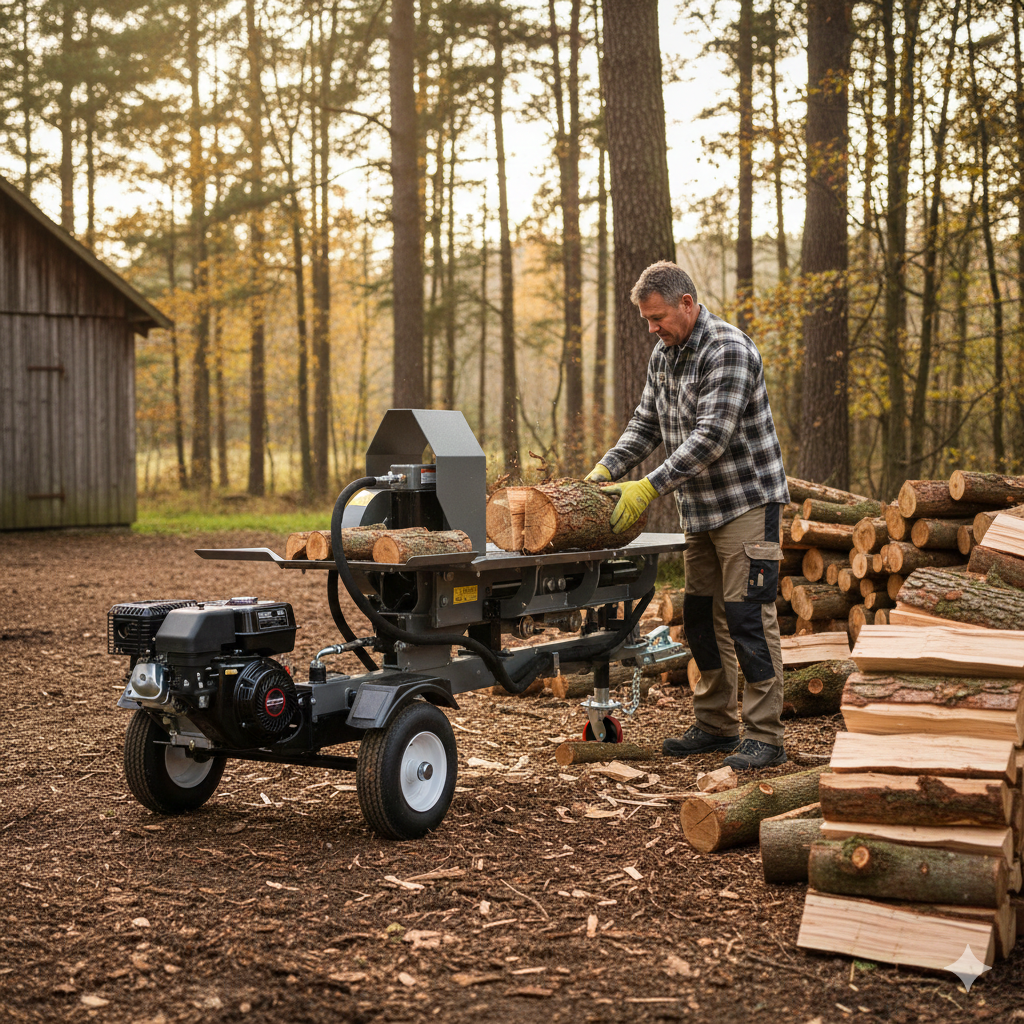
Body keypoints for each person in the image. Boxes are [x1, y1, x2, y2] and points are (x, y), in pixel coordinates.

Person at [586, 261, 790, 770]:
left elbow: (711, 436)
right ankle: (716, 725)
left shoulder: (728, 349)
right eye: (646, 320)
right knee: (701, 620)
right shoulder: (665, 353)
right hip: (698, 509)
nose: (652, 329)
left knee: (749, 617)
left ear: (687, 303)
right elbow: (646, 422)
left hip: (746, 503)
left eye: (657, 317)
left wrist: (647, 487)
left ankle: (765, 736)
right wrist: (607, 469)